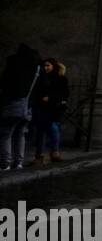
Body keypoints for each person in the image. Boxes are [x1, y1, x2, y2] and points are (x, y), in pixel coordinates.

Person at [0, 44, 40, 172]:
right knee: (20, 134)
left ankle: (5, 163)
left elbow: (4, 83)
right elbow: (44, 86)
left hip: (13, 105)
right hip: (27, 107)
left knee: (6, 134)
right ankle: (18, 163)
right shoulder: (37, 69)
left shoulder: (14, 66)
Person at [31, 58, 69, 165]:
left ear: (53, 66)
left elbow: (65, 94)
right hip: (41, 107)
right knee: (41, 131)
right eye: (44, 66)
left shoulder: (61, 79)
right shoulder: (40, 78)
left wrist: (51, 97)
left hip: (54, 109)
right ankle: (40, 156)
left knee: (54, 128)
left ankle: (53, 153)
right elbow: (35, 92)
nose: (46, 67)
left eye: (48, 65)